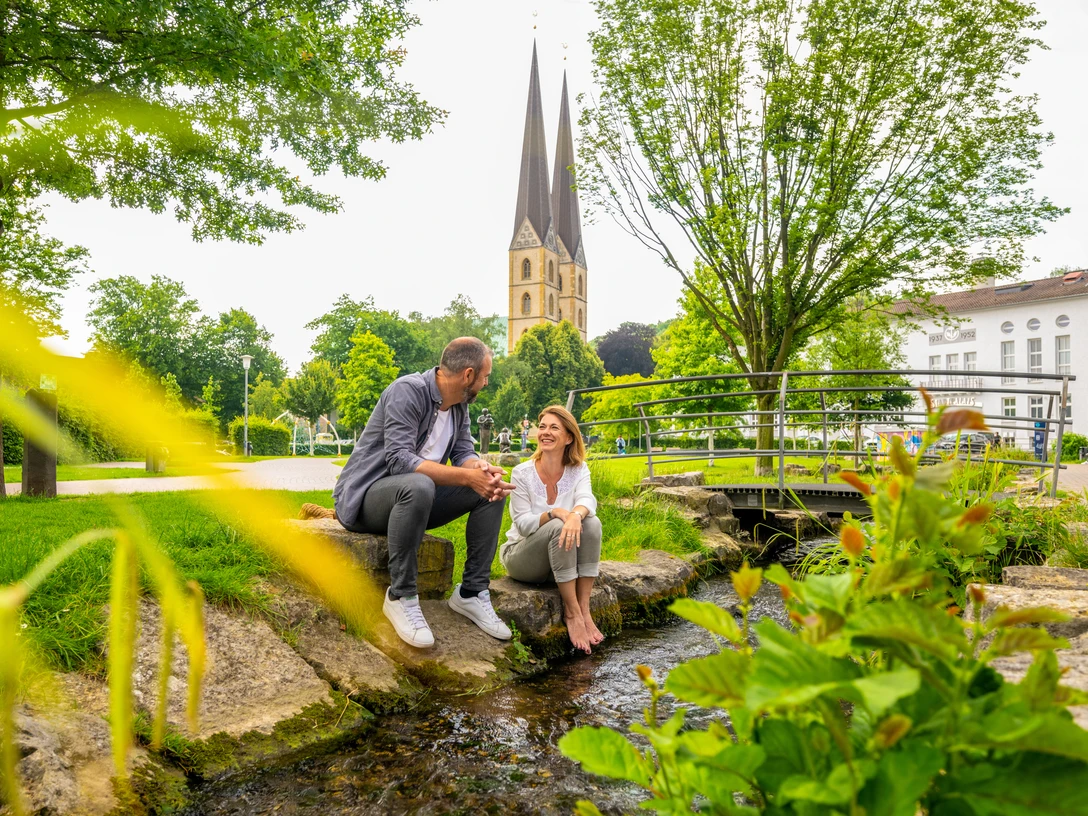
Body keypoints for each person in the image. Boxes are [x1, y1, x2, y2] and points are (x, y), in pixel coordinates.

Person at [333, 337, 516, 648]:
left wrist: (480, 470)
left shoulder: (460, 405)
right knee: (419, 484)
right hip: (367, 500)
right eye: (486, 376)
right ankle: (400, 596)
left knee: (490, 489)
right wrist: (465, 477)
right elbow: (400, 460)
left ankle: (471, 592)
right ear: (468, 375)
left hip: (416, 500)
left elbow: (463, 452)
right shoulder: (407, 391)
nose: (487, 382)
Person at [500, 406, 603, 654]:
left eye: (554, 427)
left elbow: (588, 500)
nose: (545, 432)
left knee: (591, 521)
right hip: (522, 558)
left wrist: (575, 515)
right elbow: (523, 524)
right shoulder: (521, 473)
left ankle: (585, 610)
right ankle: (572, 612)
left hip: (560, 562)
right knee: (558, 524)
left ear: (569, 437)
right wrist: (555, 512)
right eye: (542, 427)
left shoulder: (579, 470)